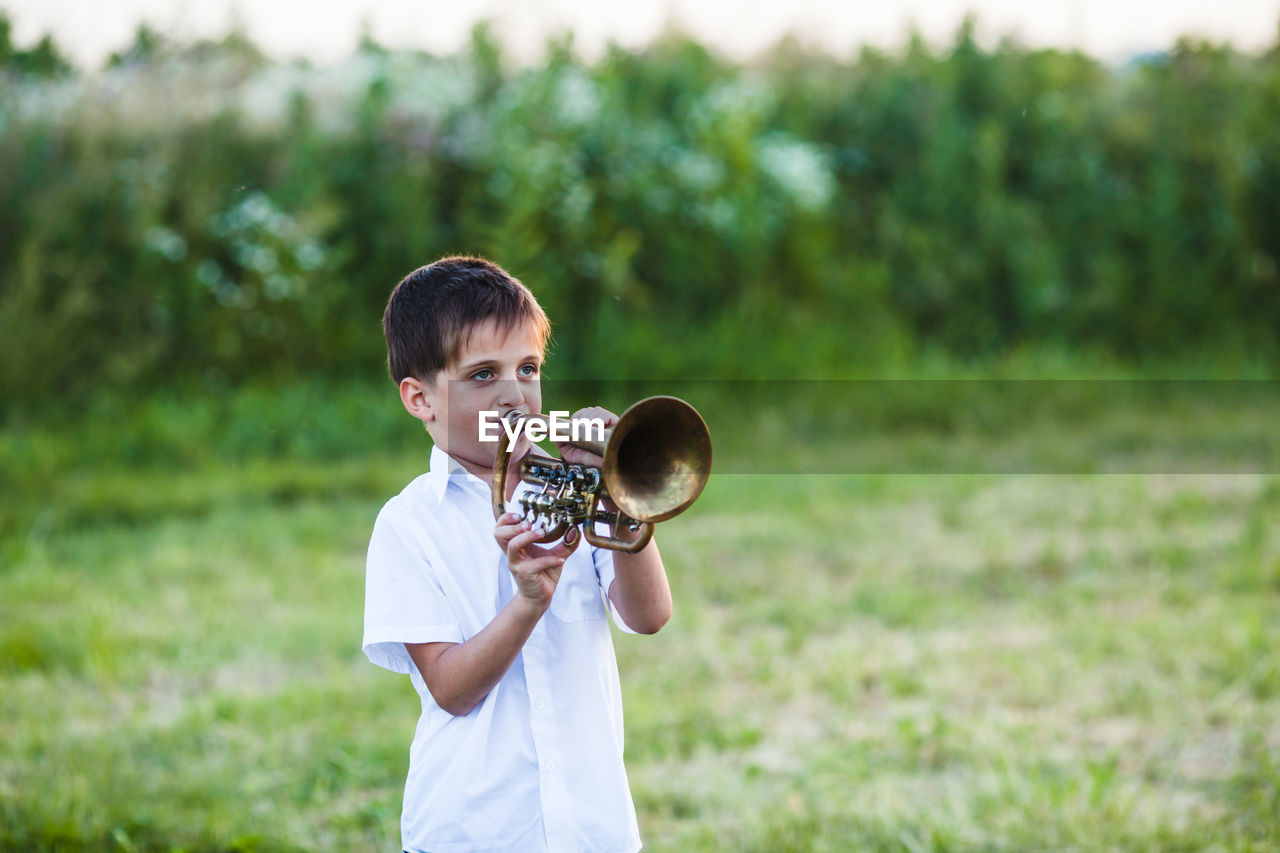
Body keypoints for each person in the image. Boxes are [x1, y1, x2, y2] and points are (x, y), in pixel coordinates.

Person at [363, 255, 673, 853]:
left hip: (592, 827)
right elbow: (451, 689)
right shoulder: (408, 523)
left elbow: (650, 615)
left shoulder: (579, 490)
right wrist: (528, 602)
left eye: (527, 369)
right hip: (471, 830)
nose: (515, 397)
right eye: (482, 375)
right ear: (420, 399)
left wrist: (620, 495)